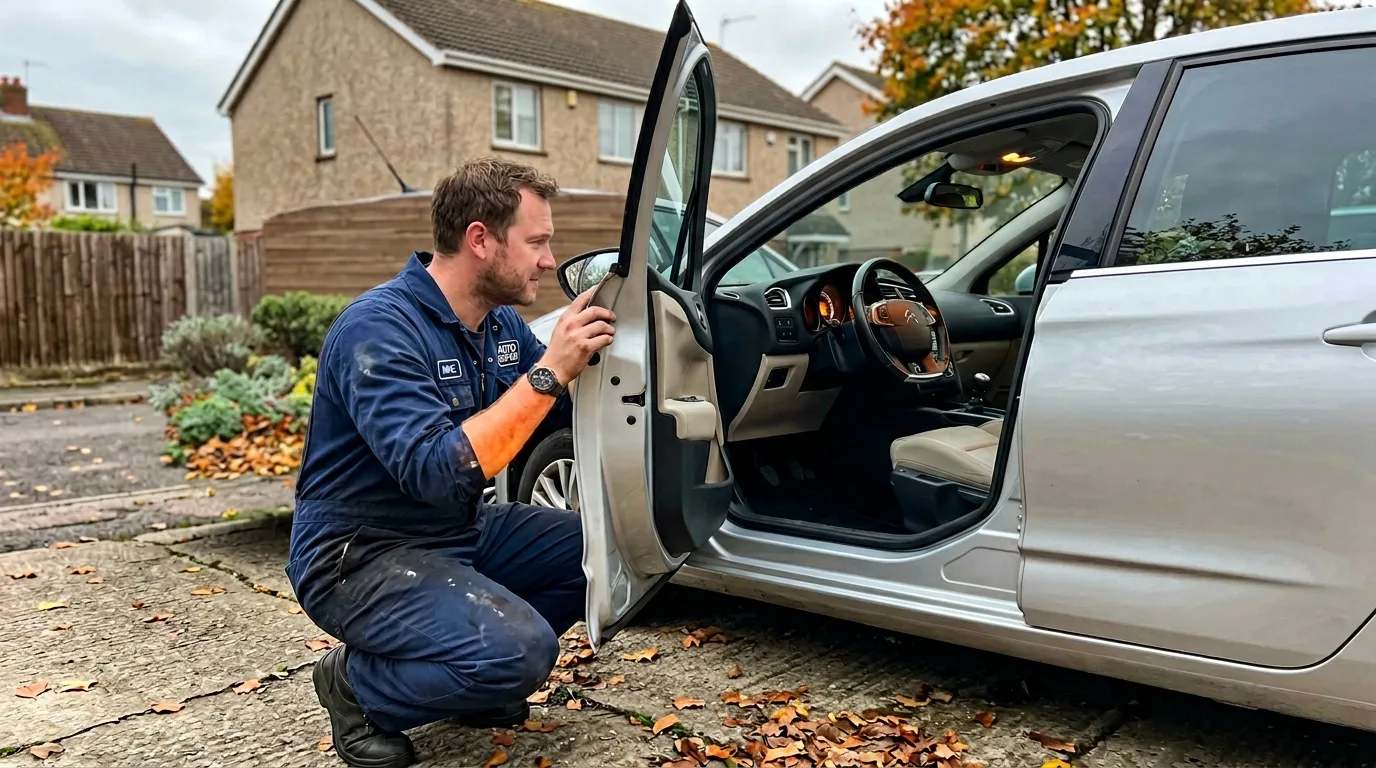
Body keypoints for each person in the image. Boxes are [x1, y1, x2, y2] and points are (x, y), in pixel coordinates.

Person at [286, 156, 616, 768]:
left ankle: (476, 675)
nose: (549, 260)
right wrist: (550, 372)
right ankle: (356, 688)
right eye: (536, 242)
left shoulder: (498, 325)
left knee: (598, 550)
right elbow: (438, 471)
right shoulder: (378, 330)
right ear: (480, 239)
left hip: (454, 531)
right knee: (521, 651)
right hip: (359, 553)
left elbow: (551, 411)